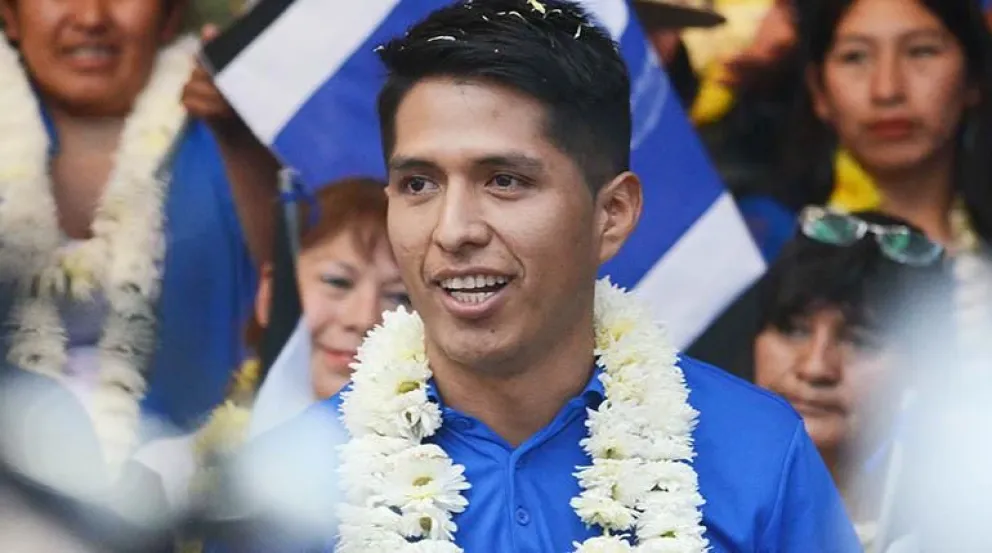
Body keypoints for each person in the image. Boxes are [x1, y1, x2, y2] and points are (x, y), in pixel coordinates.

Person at [247, 1, 860, 551]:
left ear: (612, 215)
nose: (453, 229)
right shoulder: (287, 489)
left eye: (504, 180)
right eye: (419, 184)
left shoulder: (755, 453)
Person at [0, 0, 278, 479]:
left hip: (195, 486)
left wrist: (244, 140)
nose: (90, 17)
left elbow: (292, 296)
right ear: (8, 14)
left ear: (169, 16)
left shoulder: (230, 121)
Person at [752, 207, 950, 548]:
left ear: (927, 365)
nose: (815, 368)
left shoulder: (963, 531)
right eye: (794, 330)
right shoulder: (679, 502)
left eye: (858, 341)